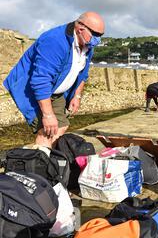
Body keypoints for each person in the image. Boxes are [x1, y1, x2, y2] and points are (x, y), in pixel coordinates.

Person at [3, 12, 105, 148]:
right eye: (96, 35)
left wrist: (77, 95)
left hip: (57, 92)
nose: (98, 40)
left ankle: (49, 161)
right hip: (33, 89)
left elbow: (83, 73)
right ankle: (40, 163)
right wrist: (48, 115)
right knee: (47, 132)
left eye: (100, 35)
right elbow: (40, 80)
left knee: (61, 127)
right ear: (81, 28)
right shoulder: (55, 41)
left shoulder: (87, 45)